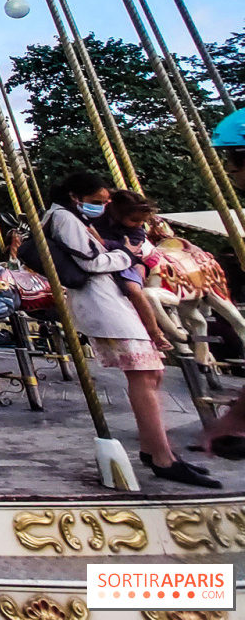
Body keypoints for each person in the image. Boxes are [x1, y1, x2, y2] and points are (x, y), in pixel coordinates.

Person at [45, 170, 220, 489]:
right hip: (103, 303)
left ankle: (157, 450)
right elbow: (90, 263)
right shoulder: (64, 219)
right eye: (97, 201)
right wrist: (127, 255)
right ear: (75, 196)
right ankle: (163, 459)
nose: (102, 206)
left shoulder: (73, 217)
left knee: (153, 374)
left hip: (111, 300)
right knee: (143, 374)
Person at [90, 190, 173, 352]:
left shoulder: (137, 231)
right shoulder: (99, 217)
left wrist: (103, 242)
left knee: (133, 290)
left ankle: (155, 331)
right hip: (98, 260)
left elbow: (131, 247)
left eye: (142, 221)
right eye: (135, 220)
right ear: (117, 213)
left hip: (124, 261)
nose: (139, 223)